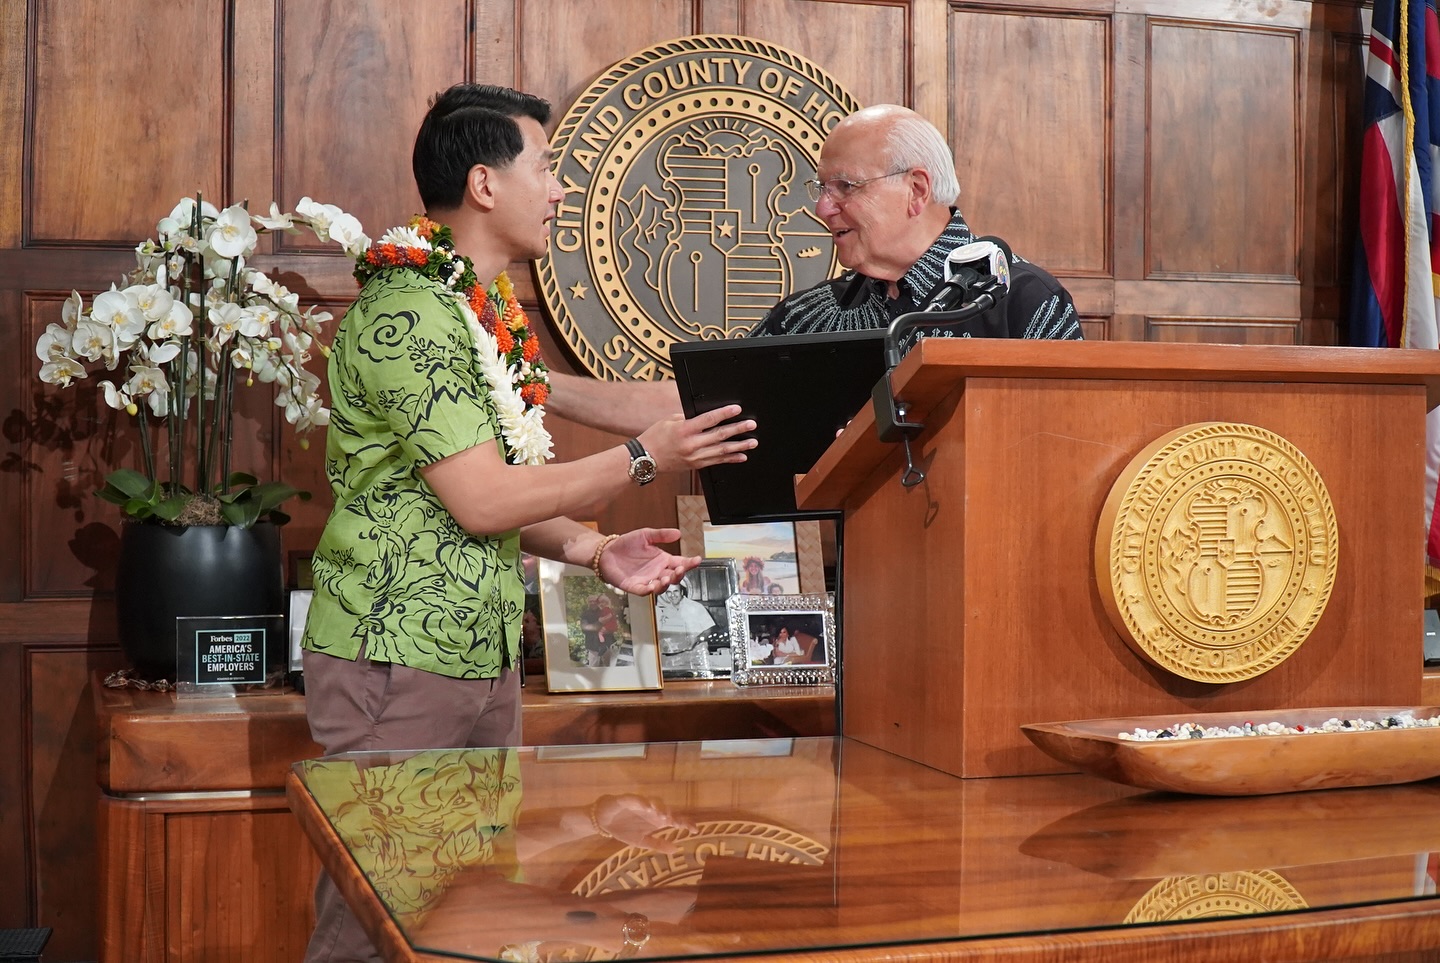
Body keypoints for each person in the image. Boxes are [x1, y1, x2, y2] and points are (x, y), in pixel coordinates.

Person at [298, 83, 755, 963]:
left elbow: (503, 495)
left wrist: (593, 546)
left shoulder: (480, 313)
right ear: (482, 184)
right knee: (382, 911)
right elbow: (482, 500)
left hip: (476, 650)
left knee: (467, 904)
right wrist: (641, 458)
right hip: (395, 656)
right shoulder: (405, 314)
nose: (558, 192)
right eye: (545, 169)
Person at [543, 103, 1080, 435]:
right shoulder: (812, 316)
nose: (823, 208)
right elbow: (699, 406)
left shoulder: (1021, 298)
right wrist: (536, 388)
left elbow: (1067, 446)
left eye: (844, 187)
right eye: (821, 189)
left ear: (916, 190)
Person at [653, 581, 717, 676]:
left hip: (696, 656)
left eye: (675, 591)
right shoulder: (665, 611)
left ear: (682, 592)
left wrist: (696, 639)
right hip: (674, 659)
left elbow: (710, 629)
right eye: (669, 592)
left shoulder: (696, 607)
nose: (672, 595)